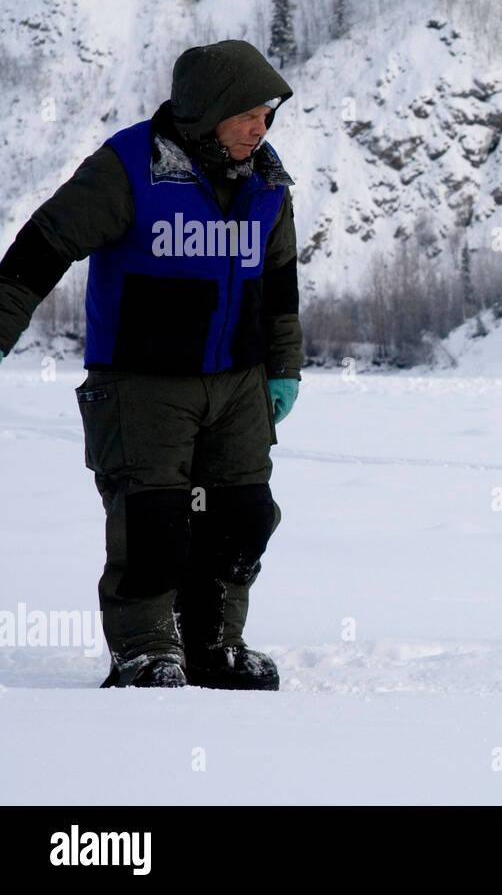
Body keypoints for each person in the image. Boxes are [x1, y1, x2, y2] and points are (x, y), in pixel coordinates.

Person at [0, 40, 302, 689]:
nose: (261, 127)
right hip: (142, 382)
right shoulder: (130, 167)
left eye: (266, 115)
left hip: (240, 383)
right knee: (153, 522)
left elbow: (278, 285)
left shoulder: (268, 179)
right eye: (247, 113)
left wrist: (285, 368)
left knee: (242, 517)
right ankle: (145, 652)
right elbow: (44, 244)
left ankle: (214, 646)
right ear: (208, 110)